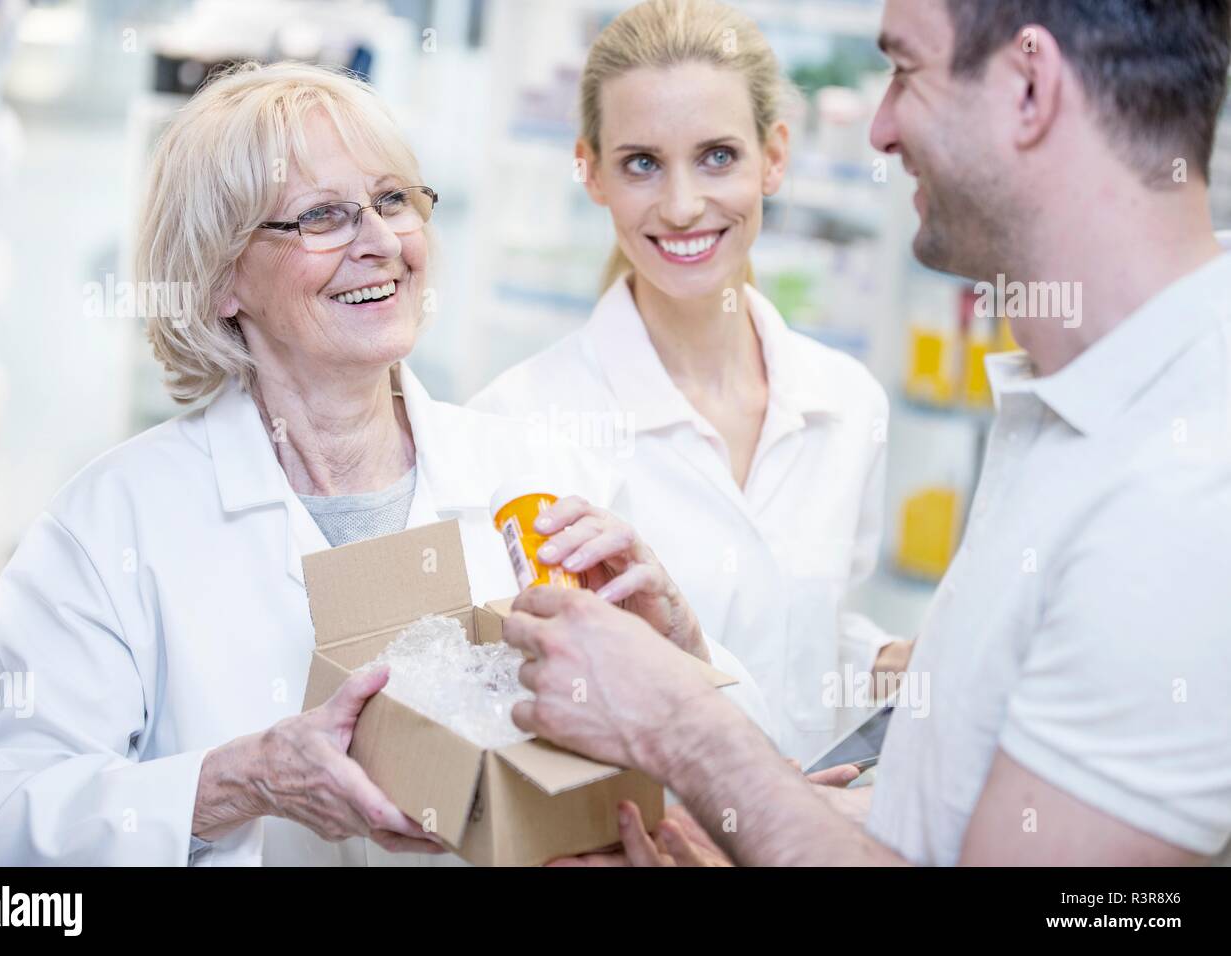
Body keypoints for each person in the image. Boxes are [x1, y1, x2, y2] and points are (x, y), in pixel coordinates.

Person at [0, 61, 767, 867]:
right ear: (221, 278)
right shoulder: (112, 525)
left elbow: (746, 792)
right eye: (322, 216)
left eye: (393, 200)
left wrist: (681, 651)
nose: (380, 242)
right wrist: (241, 780)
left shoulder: (536, 476)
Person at [503, 0, 1231, 866]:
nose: (879, 130)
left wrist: (685, 727)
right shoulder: (1069, 409)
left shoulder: (1183, 484)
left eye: (905, 69)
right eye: (641, 164)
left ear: (1030, 88)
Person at [469, 0, 911, 764]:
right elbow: (520, 711)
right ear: (591, 171)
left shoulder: (847, 402)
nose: (681, 207)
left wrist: (879, 665)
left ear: (774, 156)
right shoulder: (514, 423)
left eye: (717, 157)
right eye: (642, 163)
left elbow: (816, 625)